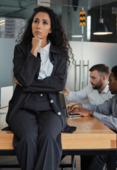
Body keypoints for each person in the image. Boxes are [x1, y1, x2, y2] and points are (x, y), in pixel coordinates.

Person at [7, 6, 76, 170]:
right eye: (36, 21)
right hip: (23, 107)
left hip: (50, 108)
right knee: (28, 138)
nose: (39, 25)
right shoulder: (21, 50)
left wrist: (27, 84)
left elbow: (58, 84)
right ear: (31, 25)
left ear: (51, 29)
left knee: (49, 137)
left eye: (45, 23)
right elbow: (24, 78)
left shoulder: (59, 54)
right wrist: (34, 49)